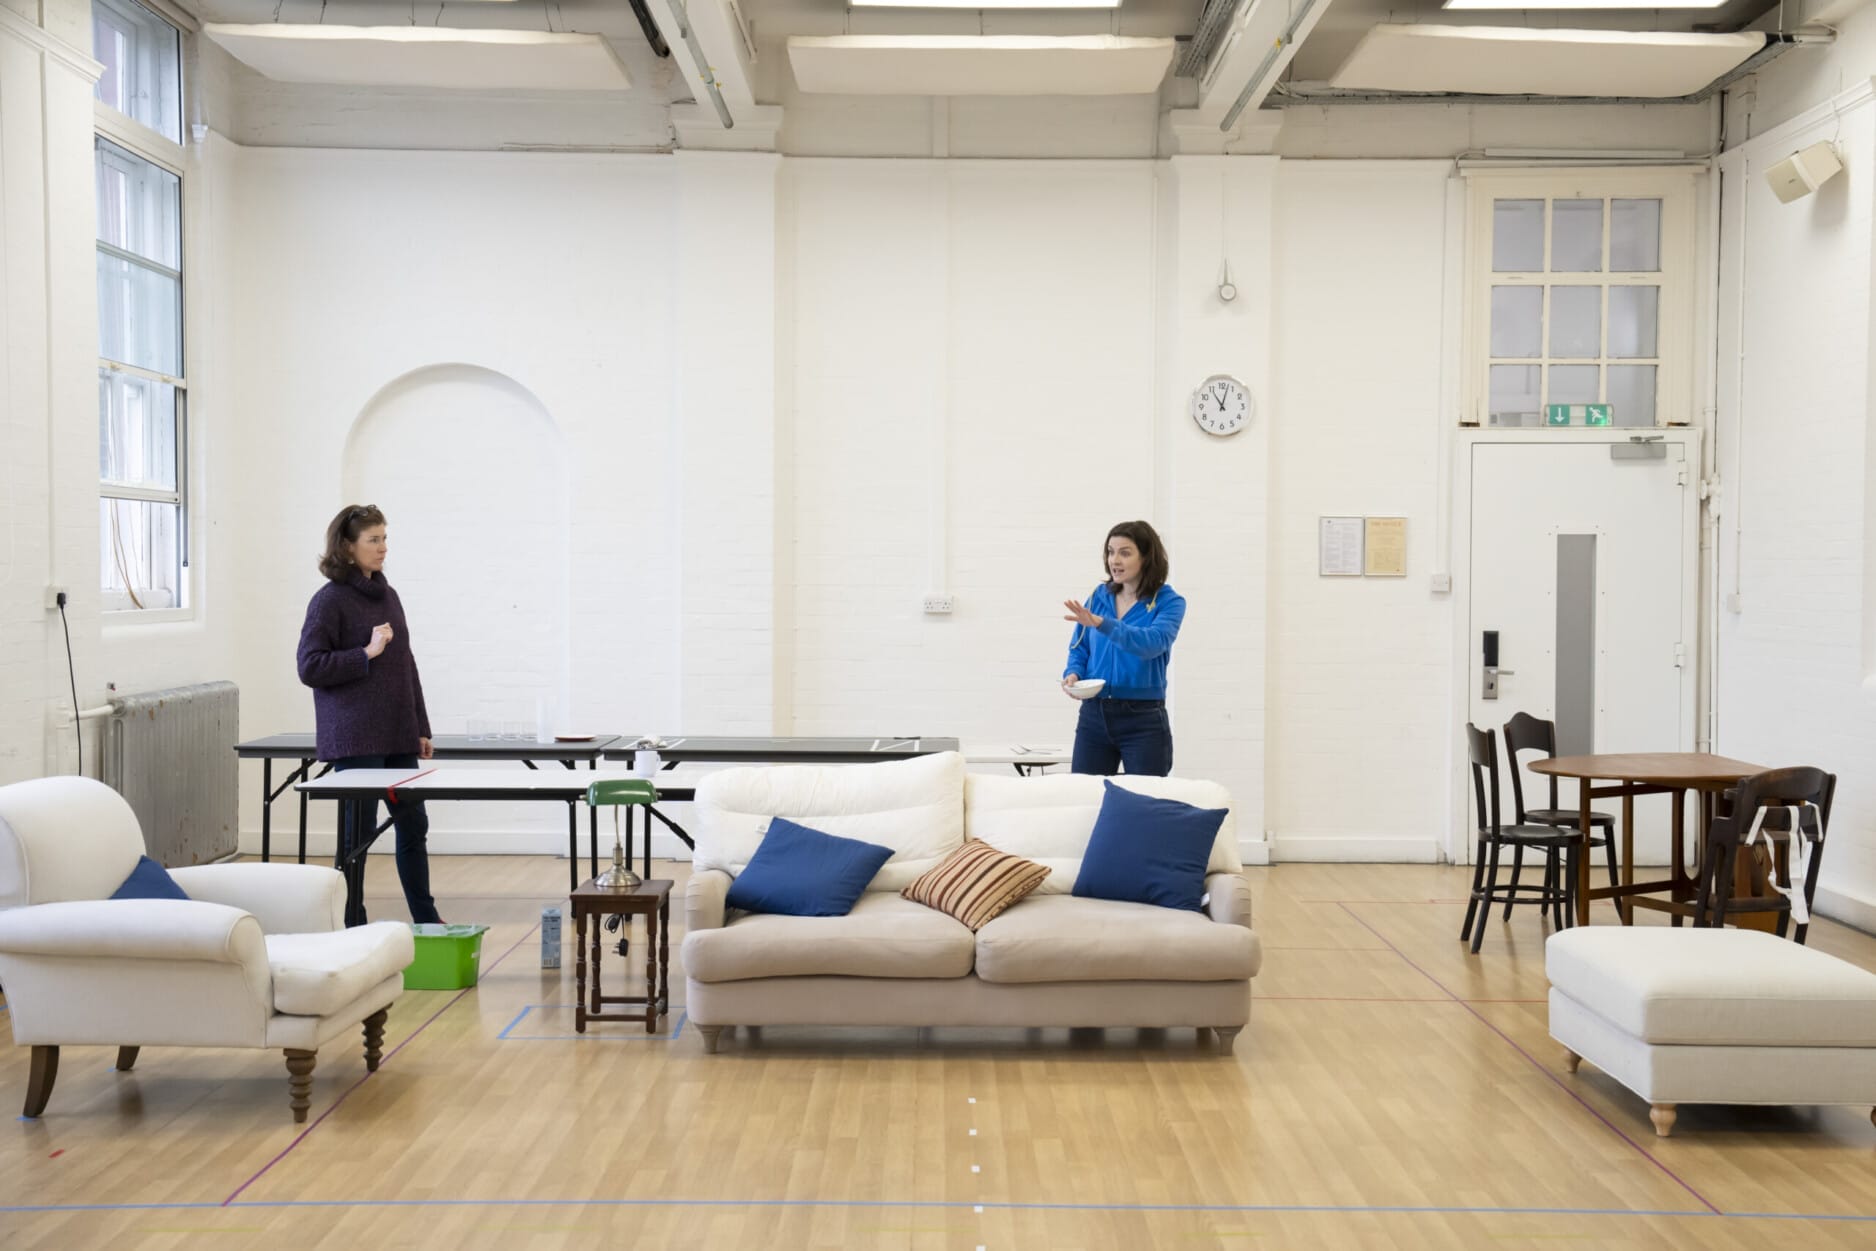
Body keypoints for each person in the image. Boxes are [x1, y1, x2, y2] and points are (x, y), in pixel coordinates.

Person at [297, 504, 442, 925]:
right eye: (373, 540)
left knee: (413, 826)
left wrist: (421, 726)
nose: (382, 548)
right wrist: (364, 654)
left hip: (398, 736)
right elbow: (309, 666)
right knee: (357, 835)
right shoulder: (328, 601)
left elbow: (405, 664)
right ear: (347, 547)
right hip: (356, 740)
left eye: (384, 538)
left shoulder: (388, 595)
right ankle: (350, 922)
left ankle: (427, 921)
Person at [1061, 520, 1186, 777]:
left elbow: (1152, 643)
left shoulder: (1169, 602)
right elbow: (1080, 647)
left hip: (1143, 719)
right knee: (1085, 798)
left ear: (1146, 557)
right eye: (1110, 551)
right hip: (1094, 715)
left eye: (1125, 552)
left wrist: (1102, 623)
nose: (1114, 560)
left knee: (1145, 805)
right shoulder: (1099, 596)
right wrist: (1073, 673)